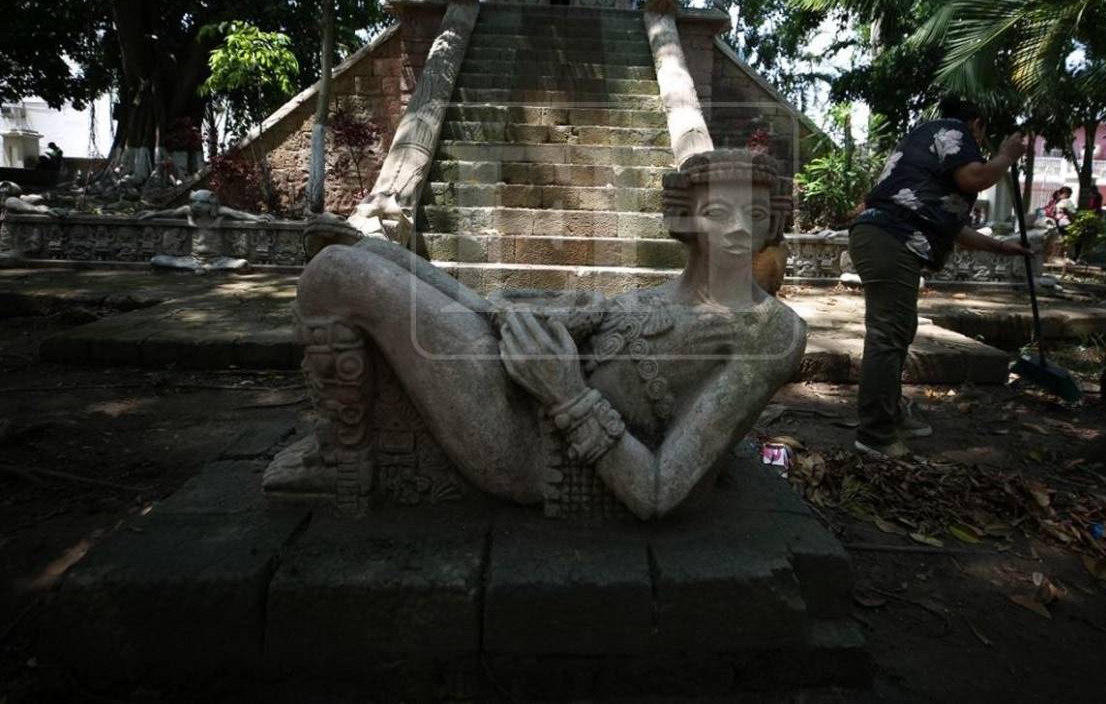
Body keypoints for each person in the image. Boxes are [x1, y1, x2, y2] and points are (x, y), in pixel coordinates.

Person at [263, 150, 808, 519]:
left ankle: (344, 455)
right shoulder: (675, 292)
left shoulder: (770, 330)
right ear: (684, 220)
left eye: (754, 214)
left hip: (533, 441)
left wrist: (567, 394)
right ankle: (341, 442)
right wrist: (539, 318)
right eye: (719, 212)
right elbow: (584, 337)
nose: (738, 229)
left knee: (335, 272)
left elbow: (660, 492)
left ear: (772, 223)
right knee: (366, 252)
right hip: (521, 376)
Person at [849, 97, 1030, 458]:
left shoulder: (930, 140)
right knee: (888, 334)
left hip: (888, 236)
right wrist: (1007, 156)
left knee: (898, 330)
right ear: (976, 124)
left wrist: (999, 248)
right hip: (891, 238)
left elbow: (951, 226)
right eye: (983, 136)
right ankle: (875, 435)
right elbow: (974, 176)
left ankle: (891, 413)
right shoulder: (955, 131)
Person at [137, 189, 269, 271]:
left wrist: (257, 218)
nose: (196, 205)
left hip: (217, 260)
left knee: (242, 264)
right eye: (194, 202)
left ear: (210, 203)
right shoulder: (188, 211)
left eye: (200, 203)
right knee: (156, 260)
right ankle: (200, 269)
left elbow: (239, 214)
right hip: (193, 260)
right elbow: (171, 212)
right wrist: (153, 214)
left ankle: (206, 269)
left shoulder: (219, 212)